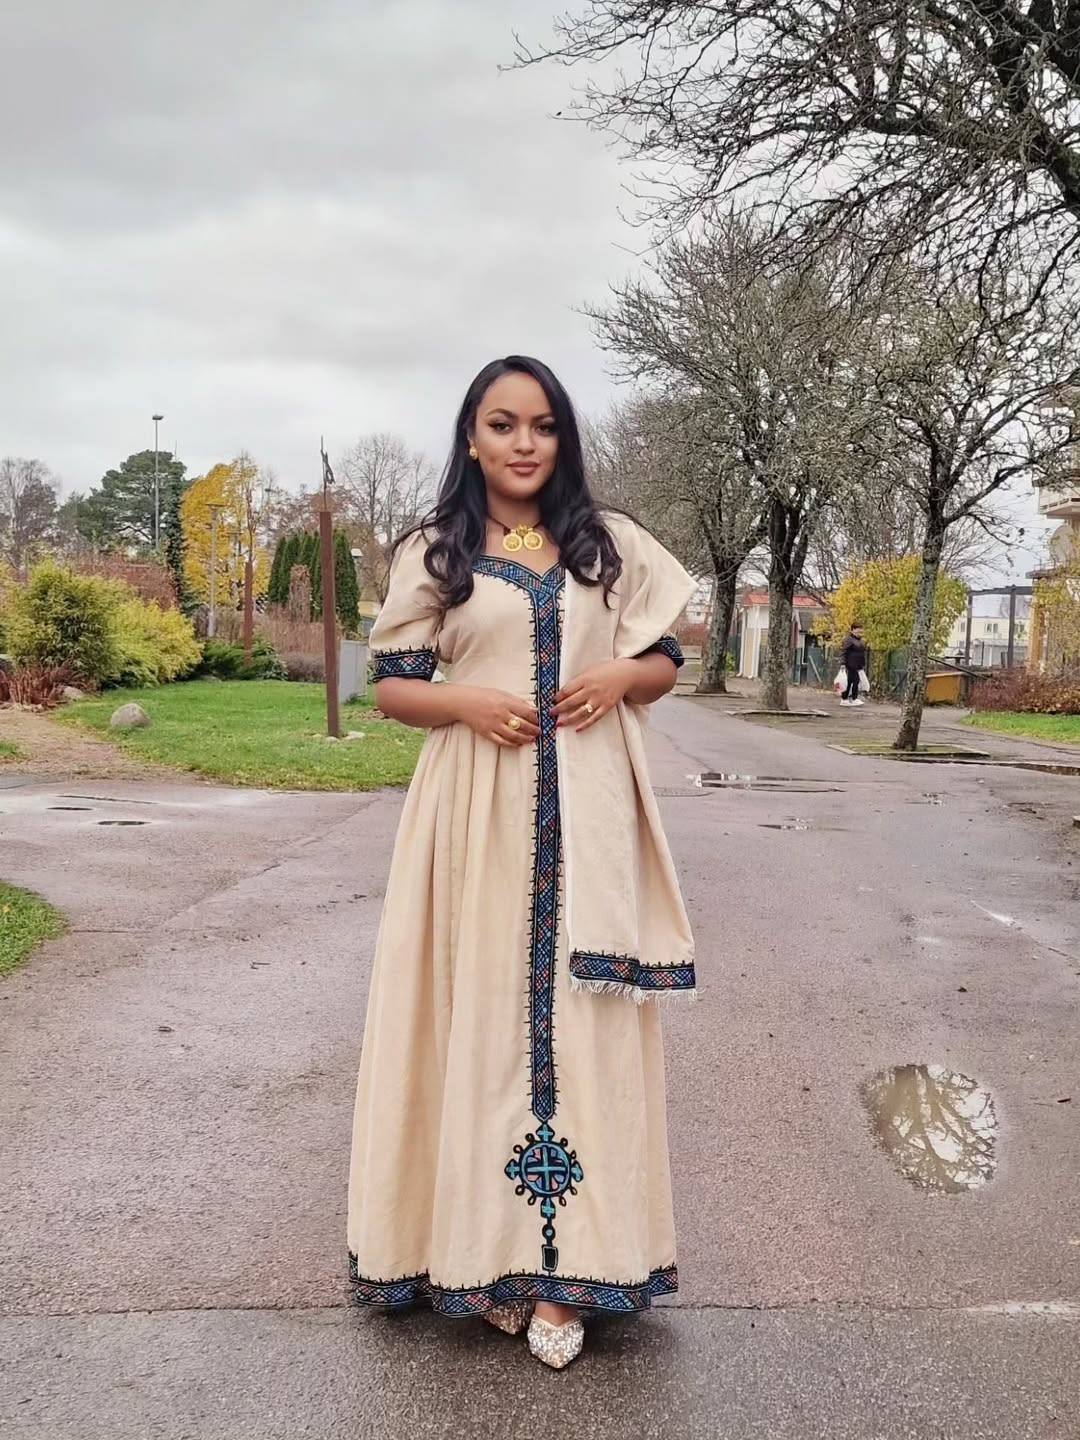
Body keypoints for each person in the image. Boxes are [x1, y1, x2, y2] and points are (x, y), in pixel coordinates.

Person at [347, 355, 697, 1370]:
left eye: (542, 424)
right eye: (503, 424)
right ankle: (480, 1261)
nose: (524, 442)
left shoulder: (607, 543)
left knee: (583, 1032)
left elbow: (670, 657)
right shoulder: (437, 549)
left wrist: (628, 675)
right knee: (479, 1020)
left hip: (587, 817)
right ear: (471, 436)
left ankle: (573, 1272)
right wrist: (462, 701)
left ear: (563, 437)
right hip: (475, 819)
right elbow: (392, 683)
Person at [840, 624, 867, 706]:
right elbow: (844, 652)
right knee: (853, 680)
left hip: (857, 664)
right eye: (857, 630)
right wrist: (843, 663)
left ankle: (848, 698)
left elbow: (861, 652)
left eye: (860, 630)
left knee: (852, 681)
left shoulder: (859, 640)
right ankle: (850, 698)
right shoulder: (849, 640)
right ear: (852, 630)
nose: (859, 632)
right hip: (851, 663)